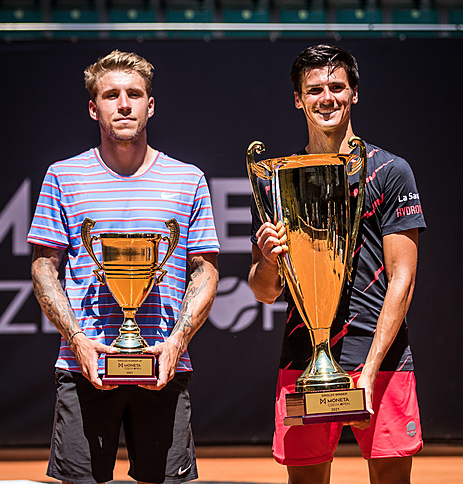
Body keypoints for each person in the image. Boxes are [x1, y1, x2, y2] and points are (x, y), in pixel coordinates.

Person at [28, 50, 219, 484]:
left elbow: (205, 270)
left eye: (134, 94)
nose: (124, 104)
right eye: (111, 95)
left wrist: (175, 342)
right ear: (94, 108)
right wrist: (78, 341)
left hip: (163, 366)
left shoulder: (188, 179)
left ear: (151, 105)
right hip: (84, 367)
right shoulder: (63, 175)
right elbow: (44, 268)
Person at [248, 44, 426, 484]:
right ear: (298, 98)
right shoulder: (278, 178)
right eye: (314, 90)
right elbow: (264, 290)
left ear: (354, 93)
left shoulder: (390, 172)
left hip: (381, 362)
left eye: (336, 87)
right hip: (303, 362)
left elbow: (401, 280)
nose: (326, 98)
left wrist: (367, 371)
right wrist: (269, 259)